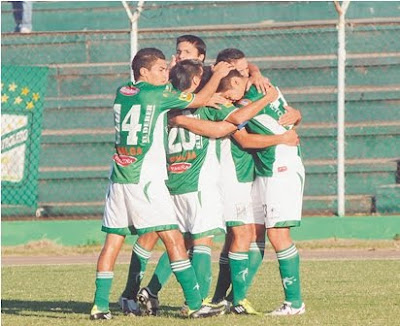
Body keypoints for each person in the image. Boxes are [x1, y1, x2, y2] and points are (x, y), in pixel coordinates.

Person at [136, 63, 299, 316]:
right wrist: (268, 101)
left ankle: (160, 291)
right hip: (214, 179)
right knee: (210, 238)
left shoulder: (167, 104)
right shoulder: (212, 104)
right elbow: (235, 126)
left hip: (177, 177)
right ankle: (204, 301)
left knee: (185, 239)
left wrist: (256, 76)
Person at [90, 47, 233, 320]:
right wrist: (217, 77)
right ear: (143, 71)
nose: (165, 72)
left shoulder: (121, 93)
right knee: (174, 238)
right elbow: (199, 98)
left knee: (113, 242)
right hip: (146, 180)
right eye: (160, 69)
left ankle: (99, 306)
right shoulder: (158, 94)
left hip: (119, 179)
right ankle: (194, 303)